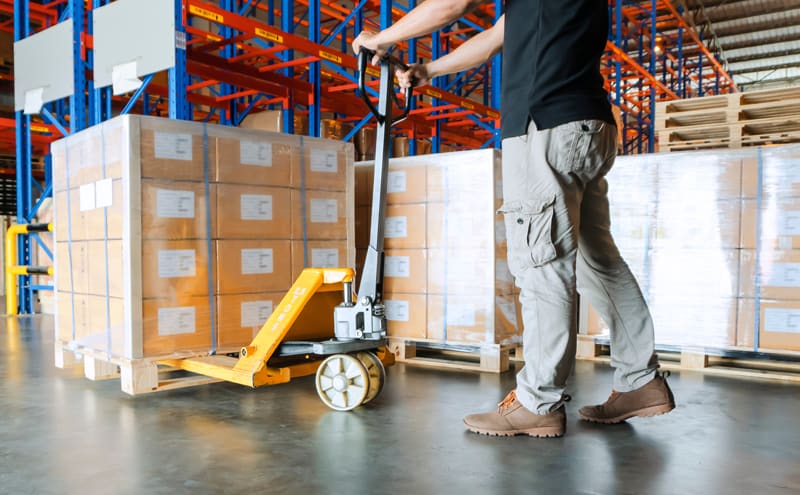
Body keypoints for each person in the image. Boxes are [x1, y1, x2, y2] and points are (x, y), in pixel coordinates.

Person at [353, 0, 675, 438]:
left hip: (544, 127)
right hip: (588, 126)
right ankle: (640, 380)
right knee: (598, 261)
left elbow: (450, 4)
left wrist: (380, 38)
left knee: (542, 268)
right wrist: (428, 70)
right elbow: (494, 38)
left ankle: (537, 401)